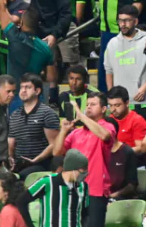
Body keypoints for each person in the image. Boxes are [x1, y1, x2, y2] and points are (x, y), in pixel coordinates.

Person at [53, 93, 115, 227]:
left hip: (96, 189)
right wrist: (63, 131)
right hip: (75, 188)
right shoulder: (76, 133)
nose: (88, 107)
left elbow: (105, 136)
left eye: (93, 104)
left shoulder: (108, 127)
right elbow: (57, 152)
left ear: (104, 109)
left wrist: (81, 116)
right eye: (87, 105)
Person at [7, 73, 61, 177]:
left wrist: (35, 160)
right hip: (19, 164)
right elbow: (11, 141)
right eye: (22, 87)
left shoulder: (47, 113)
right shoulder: (15, 115)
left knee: (20, 178)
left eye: (28, 87)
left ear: (37, 91)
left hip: (40, 164)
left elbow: (54, 144)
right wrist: (10, 158)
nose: (23, 90)